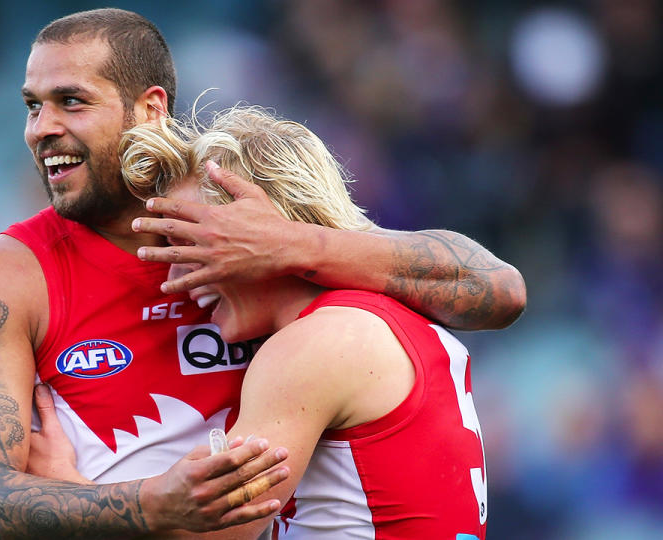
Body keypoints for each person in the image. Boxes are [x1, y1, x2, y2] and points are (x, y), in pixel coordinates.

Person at [0, 8, 524, 538]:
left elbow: (498, 291)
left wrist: (291, 244)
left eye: (72, 101)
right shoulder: (5, 274)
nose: (41, 128)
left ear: (150, 108)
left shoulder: (245, 224)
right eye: (32, 106)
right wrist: (149, 504)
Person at [34, 104, 492, 539]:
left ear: (265, 233)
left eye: (192, 246)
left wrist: (68, 491)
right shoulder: (394, 311)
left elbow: (218, 530)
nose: (171, 279)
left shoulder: (312, 345)